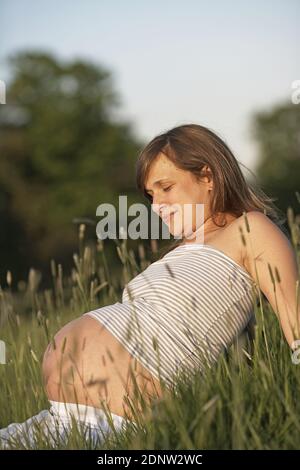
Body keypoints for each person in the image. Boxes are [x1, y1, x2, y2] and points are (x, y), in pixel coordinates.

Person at [1, 123, 299, 449]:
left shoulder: (251, 229)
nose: (157, 205)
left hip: (118, 420)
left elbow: (295, 329)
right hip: (64, 416)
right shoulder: (183, 251)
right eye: (151, 195)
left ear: (208, 176)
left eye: (166, 187)